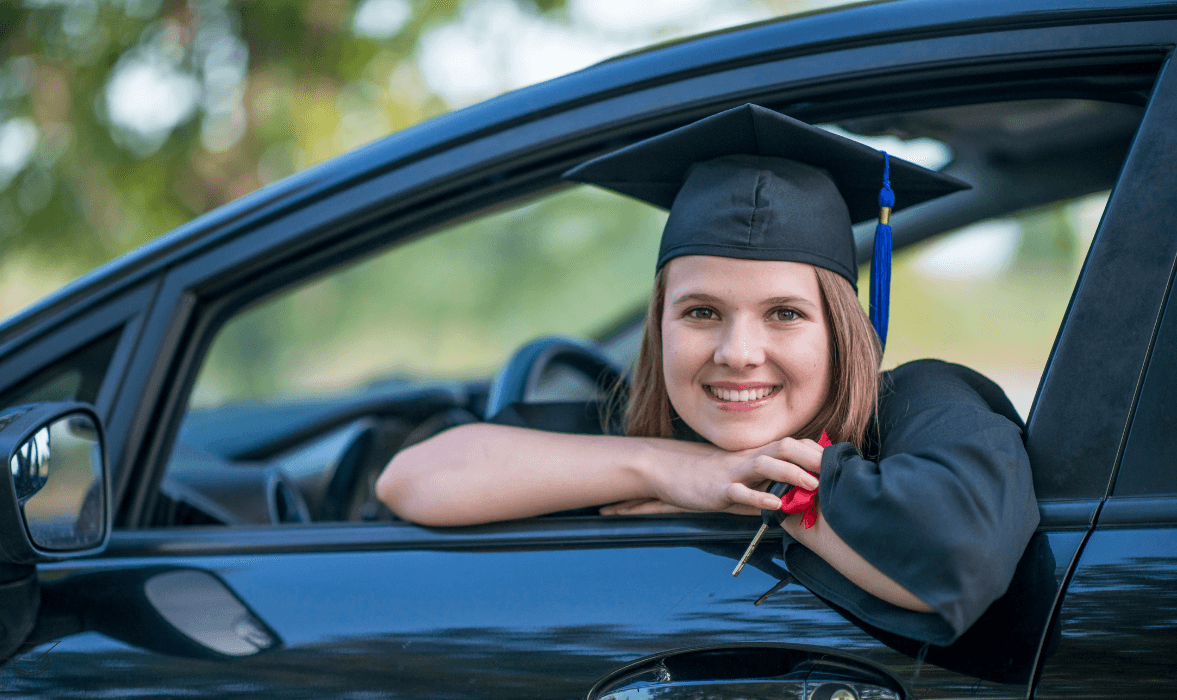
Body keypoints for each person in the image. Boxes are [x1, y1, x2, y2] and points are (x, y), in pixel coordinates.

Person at [376, 104, 1040, 647]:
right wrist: (672, 469)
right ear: (659, 325)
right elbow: (414, 479)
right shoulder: (631, 431)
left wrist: (754, 490)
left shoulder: (920, 403)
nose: (736, 352)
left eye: (784, 313)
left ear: (841, 330)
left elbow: (957, 553)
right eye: (700, 312)